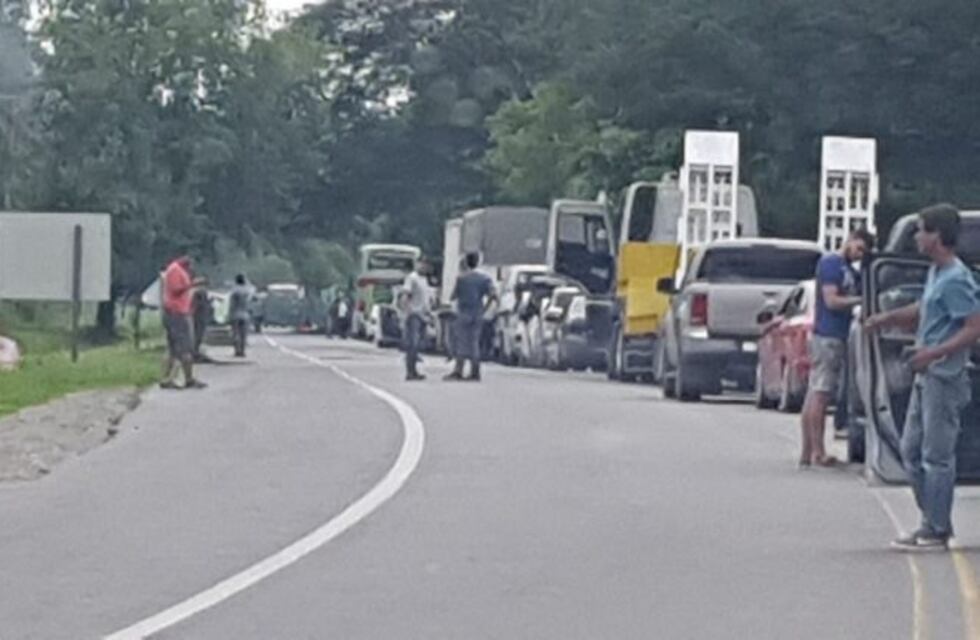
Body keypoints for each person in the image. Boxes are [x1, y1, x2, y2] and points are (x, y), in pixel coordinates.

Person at [866, 204, 980, 551]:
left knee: (937, 455)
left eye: (921, 231)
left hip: (944, 376)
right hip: (924, 375)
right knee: (910, 450)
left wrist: (933, 353)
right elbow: (925, 310)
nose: (917, 237)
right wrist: (886, 319)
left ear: (937, 237)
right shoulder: (936, 274)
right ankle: (930, 518)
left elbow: (973, 327)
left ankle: (936, 528)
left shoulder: (958, 279)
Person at [799, 228, 874, 467]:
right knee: (821, 393)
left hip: (834, 335)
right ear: (850, 239)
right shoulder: (832, 263)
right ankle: (817, 451)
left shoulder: (848, 268)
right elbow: (831, 300)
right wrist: (861, 300)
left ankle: (808, 451)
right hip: (828, 334)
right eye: (859, 248)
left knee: (816, 392)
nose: (858, 254)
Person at [445, 253, 496, 382]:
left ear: (466, 262)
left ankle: (459, 370)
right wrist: (485, 308)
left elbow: (453, 296)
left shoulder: (462, 278)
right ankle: (475, 371)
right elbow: (493, 295)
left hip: (464, 312)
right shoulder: (485, 278)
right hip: (477, 313)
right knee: (474, 343)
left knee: (461, 342)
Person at [161, 256, 207, 389]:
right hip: (177, 313)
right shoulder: (175, 270)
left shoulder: (174, 269)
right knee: (184, 347)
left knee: (173, 349)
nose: (192, 270)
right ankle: (186, 379)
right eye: (191, 267)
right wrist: (193, 284)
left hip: (175, 312)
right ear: (187, 264)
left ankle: (168, 378)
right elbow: (176, 289)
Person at [400, 258, 431, 381]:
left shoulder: (424, 280)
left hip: (423, 315)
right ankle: (410, 371)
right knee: (412, 344)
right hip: (414, 315)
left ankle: (414, 370)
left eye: (426, 265)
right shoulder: (412, 278)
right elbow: (405, 295)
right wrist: (407, 311)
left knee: (418, 345)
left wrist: (429, 312)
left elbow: (425, 299)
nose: (424, 267)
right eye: (422, 264)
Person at [228, 274, 252, 358]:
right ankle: (242, 351)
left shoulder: (234, 291)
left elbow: (231, 304)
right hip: (245, 314)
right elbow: (250, 304)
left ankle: (237, 351)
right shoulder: (248, 291)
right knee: (244, 334)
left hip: (235, 314)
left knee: (236, 333)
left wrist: (229, 314)